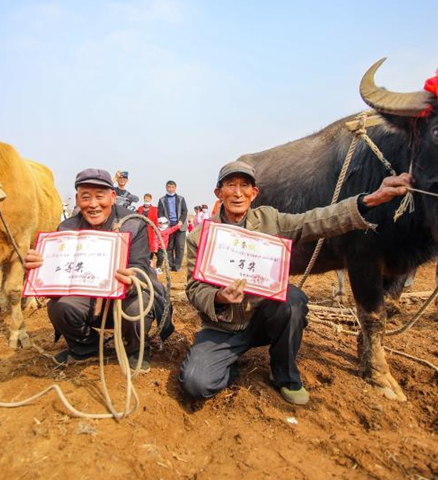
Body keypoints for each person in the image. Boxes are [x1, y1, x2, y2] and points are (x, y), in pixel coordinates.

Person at [179, 161, 411, 405]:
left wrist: (369, 201)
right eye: (230, 185)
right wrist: (219, 298)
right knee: (196, 384)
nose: (238, 193)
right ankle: (228, 363)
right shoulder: (201, 237)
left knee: (293, 300)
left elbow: (316, 220)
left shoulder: (270, 219)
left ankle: (285, 375)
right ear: (219, 193)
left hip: (262, 319)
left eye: (245, 186)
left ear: (254, 193)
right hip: (223, 327)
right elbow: (194, 289)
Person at [25, 168, 172, 371]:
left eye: (100, 197)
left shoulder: (133, 223)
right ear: (77, 199)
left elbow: (140, 266)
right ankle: (86, 347)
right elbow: (57, 281)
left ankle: (135, 348)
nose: (93, 204)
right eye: (86, 197)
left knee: (138, 303)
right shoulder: (66, 229)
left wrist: (131, 279)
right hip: (88, 300)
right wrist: (39, 270)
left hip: (124, 299)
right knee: (60, 307)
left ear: (113, 197)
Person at [157, 180, 187, 271]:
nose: (170, 189)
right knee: (169, 246)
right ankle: (170, 265)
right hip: (168, 227)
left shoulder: (181, 199)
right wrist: (164, 223)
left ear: (175, 188)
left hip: (180, 226)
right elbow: (160, 213)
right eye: (169, 187)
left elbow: (184, 211)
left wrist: (181, 221)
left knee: (180, 246)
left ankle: (177, 266)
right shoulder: (162, 200)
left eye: (172, 187)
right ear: (166, 187)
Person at [136, 193, 159, 267]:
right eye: (145, 198)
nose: (147, 199)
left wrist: (156, 229)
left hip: (150, 230)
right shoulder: (140, 208)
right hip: (141, 229)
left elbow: (155, 220)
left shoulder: (154, 209)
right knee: (141, 244)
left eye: (148, 198)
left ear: (151, 199)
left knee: (150, 246)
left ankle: (150, 261)